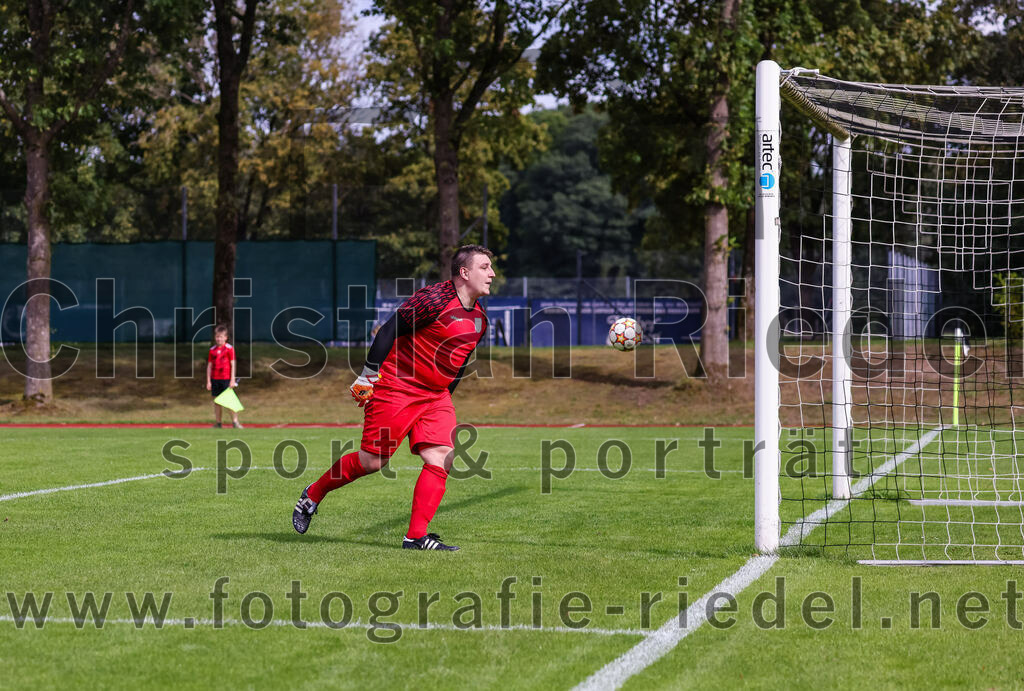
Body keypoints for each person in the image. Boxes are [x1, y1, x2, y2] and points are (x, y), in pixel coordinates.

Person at [292, 245, 494, 550]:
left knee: (442, 457)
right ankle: (313, 494)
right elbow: (388, 330)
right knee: (373, 462)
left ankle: (415, 537)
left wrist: (442, 399)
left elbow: (458, 363)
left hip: (435, 396)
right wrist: (367, 376)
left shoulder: (480, 319)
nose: (492, 274)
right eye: (485, 267)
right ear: (464, 273)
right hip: (396, 387)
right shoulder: (434, 299)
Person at [206, 324, 242, 429]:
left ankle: (235, 422)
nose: (219, 339)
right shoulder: (212, 350)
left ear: (226, 337)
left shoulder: (229, 349)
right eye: (217, 336)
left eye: (221, 337)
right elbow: (209, 366)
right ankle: (218, 423)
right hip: (215, 379)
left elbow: (233, 364)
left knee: (229, 401)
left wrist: (232, 379)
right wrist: (208, 381)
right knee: (217, 402)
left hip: (226, 379)